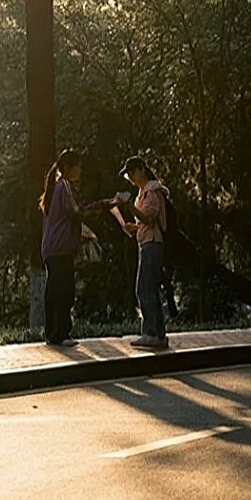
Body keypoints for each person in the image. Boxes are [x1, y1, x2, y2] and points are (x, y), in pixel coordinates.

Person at [39, 148, 104, 346]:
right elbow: (77, 211)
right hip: (61, 247)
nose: (80, 171)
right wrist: (104, 205)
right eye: (78, 167)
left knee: (53, 289)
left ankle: (51, 332)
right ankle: (62, 333)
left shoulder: (52, 189)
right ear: (68, 167)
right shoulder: (64, 185)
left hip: (50, 248)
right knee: (65, 290)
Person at [116, 156, 170, 350]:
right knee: (149, 288)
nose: (130, 177)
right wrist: (132, 226)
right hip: (146, 242)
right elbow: (143, 222)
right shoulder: (142, 193)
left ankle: (151, 333)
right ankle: (158, 334)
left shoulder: (152, 192)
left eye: (132, 172)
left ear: (141, 170)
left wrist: (130, 208)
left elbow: (149, 218)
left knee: (144, 288)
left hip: (152, 244)